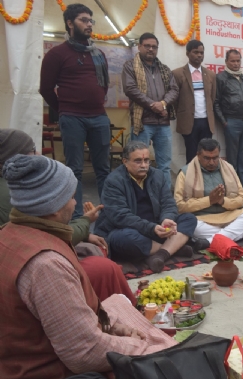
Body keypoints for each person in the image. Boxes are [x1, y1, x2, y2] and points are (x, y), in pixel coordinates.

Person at [0, 154, 176, 379]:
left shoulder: (11, 232)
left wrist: (114, 327)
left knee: (118, 305)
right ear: (53, 206)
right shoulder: (45, 265)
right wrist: (144, 347)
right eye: (71, 197)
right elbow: (84, 353)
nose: (75, 204)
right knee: (168, 355)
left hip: (29, 358)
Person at [0, 129, 136, 304]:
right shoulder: (15, 192)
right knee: (104, 267)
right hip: (30, 268)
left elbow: (44, 228)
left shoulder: (17, 194)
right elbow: (50, 235)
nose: (75, 204)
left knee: (98, 249)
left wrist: (86, 232)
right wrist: (86, 220)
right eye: (71, 198)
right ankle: (122, 308)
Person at [39, 3, 111, 219]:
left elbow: (104, 84)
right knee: (75, 170)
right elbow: (45, 89)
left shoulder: (98, 54)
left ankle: (111, 214)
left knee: (104, 170)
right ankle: (79, 218)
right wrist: (64, 109)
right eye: (83, 20)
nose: (89, 24)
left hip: (99, 117)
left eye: (91, 20)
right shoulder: (57, 54)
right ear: (70, 23)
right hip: (72, 118)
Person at [94, 141, 197, 273]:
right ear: (125, 161)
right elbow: (121, 217)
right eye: (138, 161)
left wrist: (167, 218)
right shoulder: (113, 181)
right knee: (124, 239)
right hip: (127, 230)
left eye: (146, 160)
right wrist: (152, 228)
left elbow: (168, 203)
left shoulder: (157, 175)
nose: (144, 165)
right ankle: (174, 248)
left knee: (189, 218)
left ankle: (159, 255)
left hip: (156, 228)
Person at [174, 139, 243, 249]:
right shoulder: (185, 173)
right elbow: (179, 206)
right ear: (198, 155)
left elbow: (242, 198)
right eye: (207, 158)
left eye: (215, 158)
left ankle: (209, 241)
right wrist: (209, 200)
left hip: (229, 215)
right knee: (190, 226)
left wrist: (223, 201)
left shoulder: (229, 168)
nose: (211, 162)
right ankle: (239, 233)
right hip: (202, 220)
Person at [122, 33, 178, 186]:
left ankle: (165, 198)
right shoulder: (130, 66)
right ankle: (140, 198)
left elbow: (174, 89)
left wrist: (163, 103)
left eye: (154, 47)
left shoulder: (165, 69)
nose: (150, 49)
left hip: (163, 123)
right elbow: (130, 89)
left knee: (164, 165)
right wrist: (155, 105)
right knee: (139, 164)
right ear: (139, 47)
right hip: (143, 122)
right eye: (147, 46)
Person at [214, 49, 243, 184]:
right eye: (232, 61)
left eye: (238, 61)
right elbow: (216, 102)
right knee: (232, 159)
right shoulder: (221, 78)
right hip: (232, 122)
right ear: (226, 62)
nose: (236, 64)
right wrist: (224, 122)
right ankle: (232, 188)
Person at [172, 40, 217, 164]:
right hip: (188, 122)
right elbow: (174, 99)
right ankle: (191, 182)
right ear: (187, 53)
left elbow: (212, 97)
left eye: (201, 53)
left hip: (206, 122)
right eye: (195, 52)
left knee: (207, 155)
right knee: (191, 156)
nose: (199, 55)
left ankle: (205, 181)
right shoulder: (177, 73)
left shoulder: (211, 75)